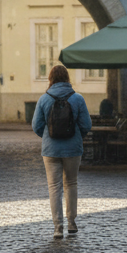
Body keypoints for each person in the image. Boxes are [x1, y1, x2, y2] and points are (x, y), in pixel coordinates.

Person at [32, 64, 93, 239]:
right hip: (73, 148)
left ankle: (58, 227)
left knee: (54, 187)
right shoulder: (78, 98)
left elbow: (36, 126)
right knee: (71, 183)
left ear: (50, 79)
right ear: (67, 78)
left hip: (50, 150)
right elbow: (86, 125)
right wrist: (76, 137)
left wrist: (47, 137)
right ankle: (72, 223)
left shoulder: (44, 99)